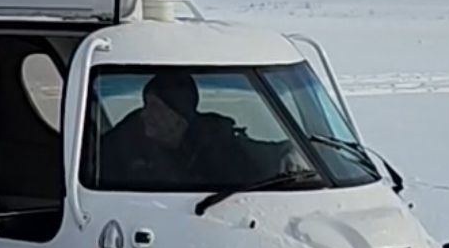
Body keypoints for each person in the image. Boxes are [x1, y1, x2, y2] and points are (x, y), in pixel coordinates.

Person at [92, 71, 303, 191]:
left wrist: (290, 153)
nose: (146, 115)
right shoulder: (128, 136)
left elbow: (269, 155)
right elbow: (92, 159)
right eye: (146, 105)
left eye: (156, 108)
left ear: (179, 117)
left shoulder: (219, 144)